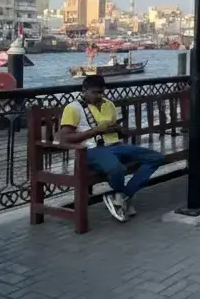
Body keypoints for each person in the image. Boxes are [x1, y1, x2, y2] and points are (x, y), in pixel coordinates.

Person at [58, 75, 164, 222]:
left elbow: (118, 132)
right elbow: (65, 138)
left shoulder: (109, 104)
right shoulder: (73, 108)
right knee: (117, 169)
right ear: (84, 90)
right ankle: (122, 198)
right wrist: (95, 131)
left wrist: (118, 129)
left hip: (116, 145)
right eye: (94, 92)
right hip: (92, 149)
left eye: (101, 92)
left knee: (156, 157)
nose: (98, 96)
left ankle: (122, 196)